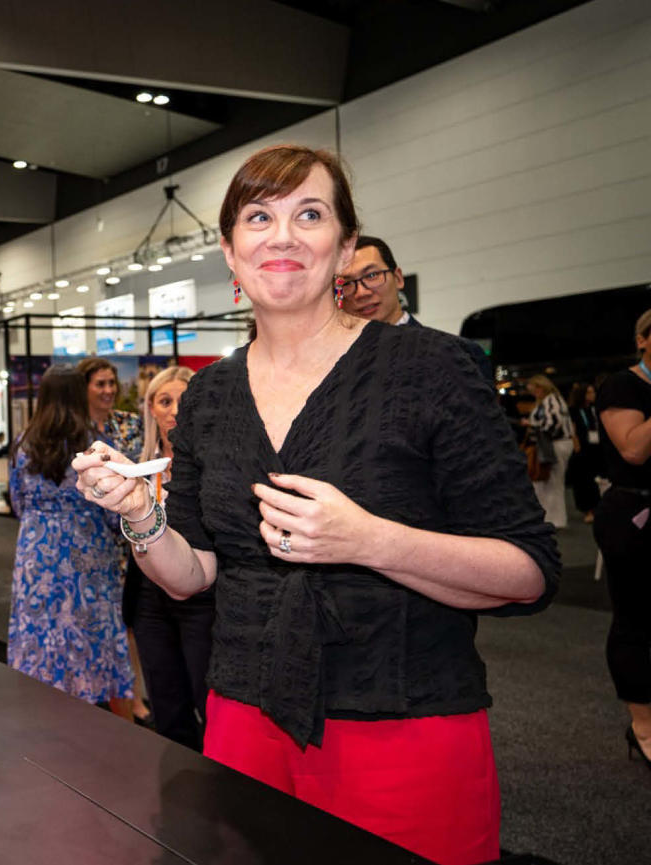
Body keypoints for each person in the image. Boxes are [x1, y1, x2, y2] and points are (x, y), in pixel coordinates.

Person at [73, 144, 557, 865]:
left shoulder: (429, 369)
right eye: (258, 217)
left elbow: (529, 570)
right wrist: (140, 512)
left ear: (345, 248)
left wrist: (368, 540)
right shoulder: (209, 397)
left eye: (310, 213)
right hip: (243, 715)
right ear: (231, 256)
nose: (283, 234)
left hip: (404, 717)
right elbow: (190, 575)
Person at [8, 365, 134, 717]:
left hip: (36, 551)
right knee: (93, 633)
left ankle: (41, 718)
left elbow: (17, 501)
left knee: (40, 631)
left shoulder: (23, 444)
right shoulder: (94, 448)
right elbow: (114, 510)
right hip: (87, 549)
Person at [129, 366, 215, 750]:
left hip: (205, 597)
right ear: (152, 408)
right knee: (165, 700)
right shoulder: (136, 468)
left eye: (183, 400)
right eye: (166, 401)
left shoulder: (214, 464)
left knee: (209, 699)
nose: (175, 410)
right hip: (150, 598)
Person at [75, 356, 150, 725]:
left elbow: (142, 472)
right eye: (99, 384)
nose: (107, 390)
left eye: (111, 383)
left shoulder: (130, 423)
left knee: (131, 621)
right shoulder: (74, 429)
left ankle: (131, 694)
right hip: (92, 539)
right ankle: (100, 687)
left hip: (132, 533)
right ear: (84, 387)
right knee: (97, 618)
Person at [595, 308, 651, 770]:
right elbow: (633, 448)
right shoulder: (622, 386)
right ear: (643, 341)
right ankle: (644, 728)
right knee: (635, 619)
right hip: (634, 514)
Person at [339, 234, 491, 378]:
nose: (361, 293)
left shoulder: (457, 353)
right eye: (347, 283)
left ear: (398, 278)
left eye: (372, 275)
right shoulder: (336, 365)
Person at [525, 374, 574, 529]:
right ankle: (551, 518)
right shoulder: (553, 400)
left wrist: (532, 425)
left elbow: (552, 424)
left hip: (554, 444)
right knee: (550, 482)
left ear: (540, 387)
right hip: (554, 444)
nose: (534, 394)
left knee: (552, 482)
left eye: (534, 390)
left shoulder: (552, 401)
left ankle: (555, 520)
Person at [566, 381, 602, 523]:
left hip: (596, 448)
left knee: (597, 480)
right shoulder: (574, 410)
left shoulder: (594, 409)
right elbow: (572, 430)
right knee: (584, 481)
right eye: (589, 392)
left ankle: (598, 508)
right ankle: (588, 509)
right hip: (582, 449)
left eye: (593, 392)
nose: (592, 395)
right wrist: (576, 446)